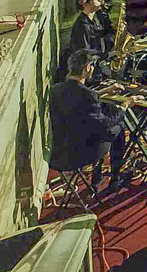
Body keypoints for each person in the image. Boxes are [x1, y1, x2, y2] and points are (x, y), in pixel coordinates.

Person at [49, 49, 129, 191]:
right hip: (79, 155)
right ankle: (115, 179)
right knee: (118, 128)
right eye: (92, 65)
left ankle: (97, 180)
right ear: (87, 68)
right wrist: (124, 106)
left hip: (57, 154)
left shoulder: (55, 89)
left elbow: (78, 101)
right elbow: (105, 124)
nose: (93, 68)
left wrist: (102, 92)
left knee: (97, 127)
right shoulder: (87, 95)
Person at [59, 0, 114, 81]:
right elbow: (84, 52)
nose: (100, 0)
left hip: (98, 66)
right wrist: (106, 55)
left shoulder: (96, 18)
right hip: (88, 72)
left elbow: (102, 34)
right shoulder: (81, 25)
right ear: (84, 3)